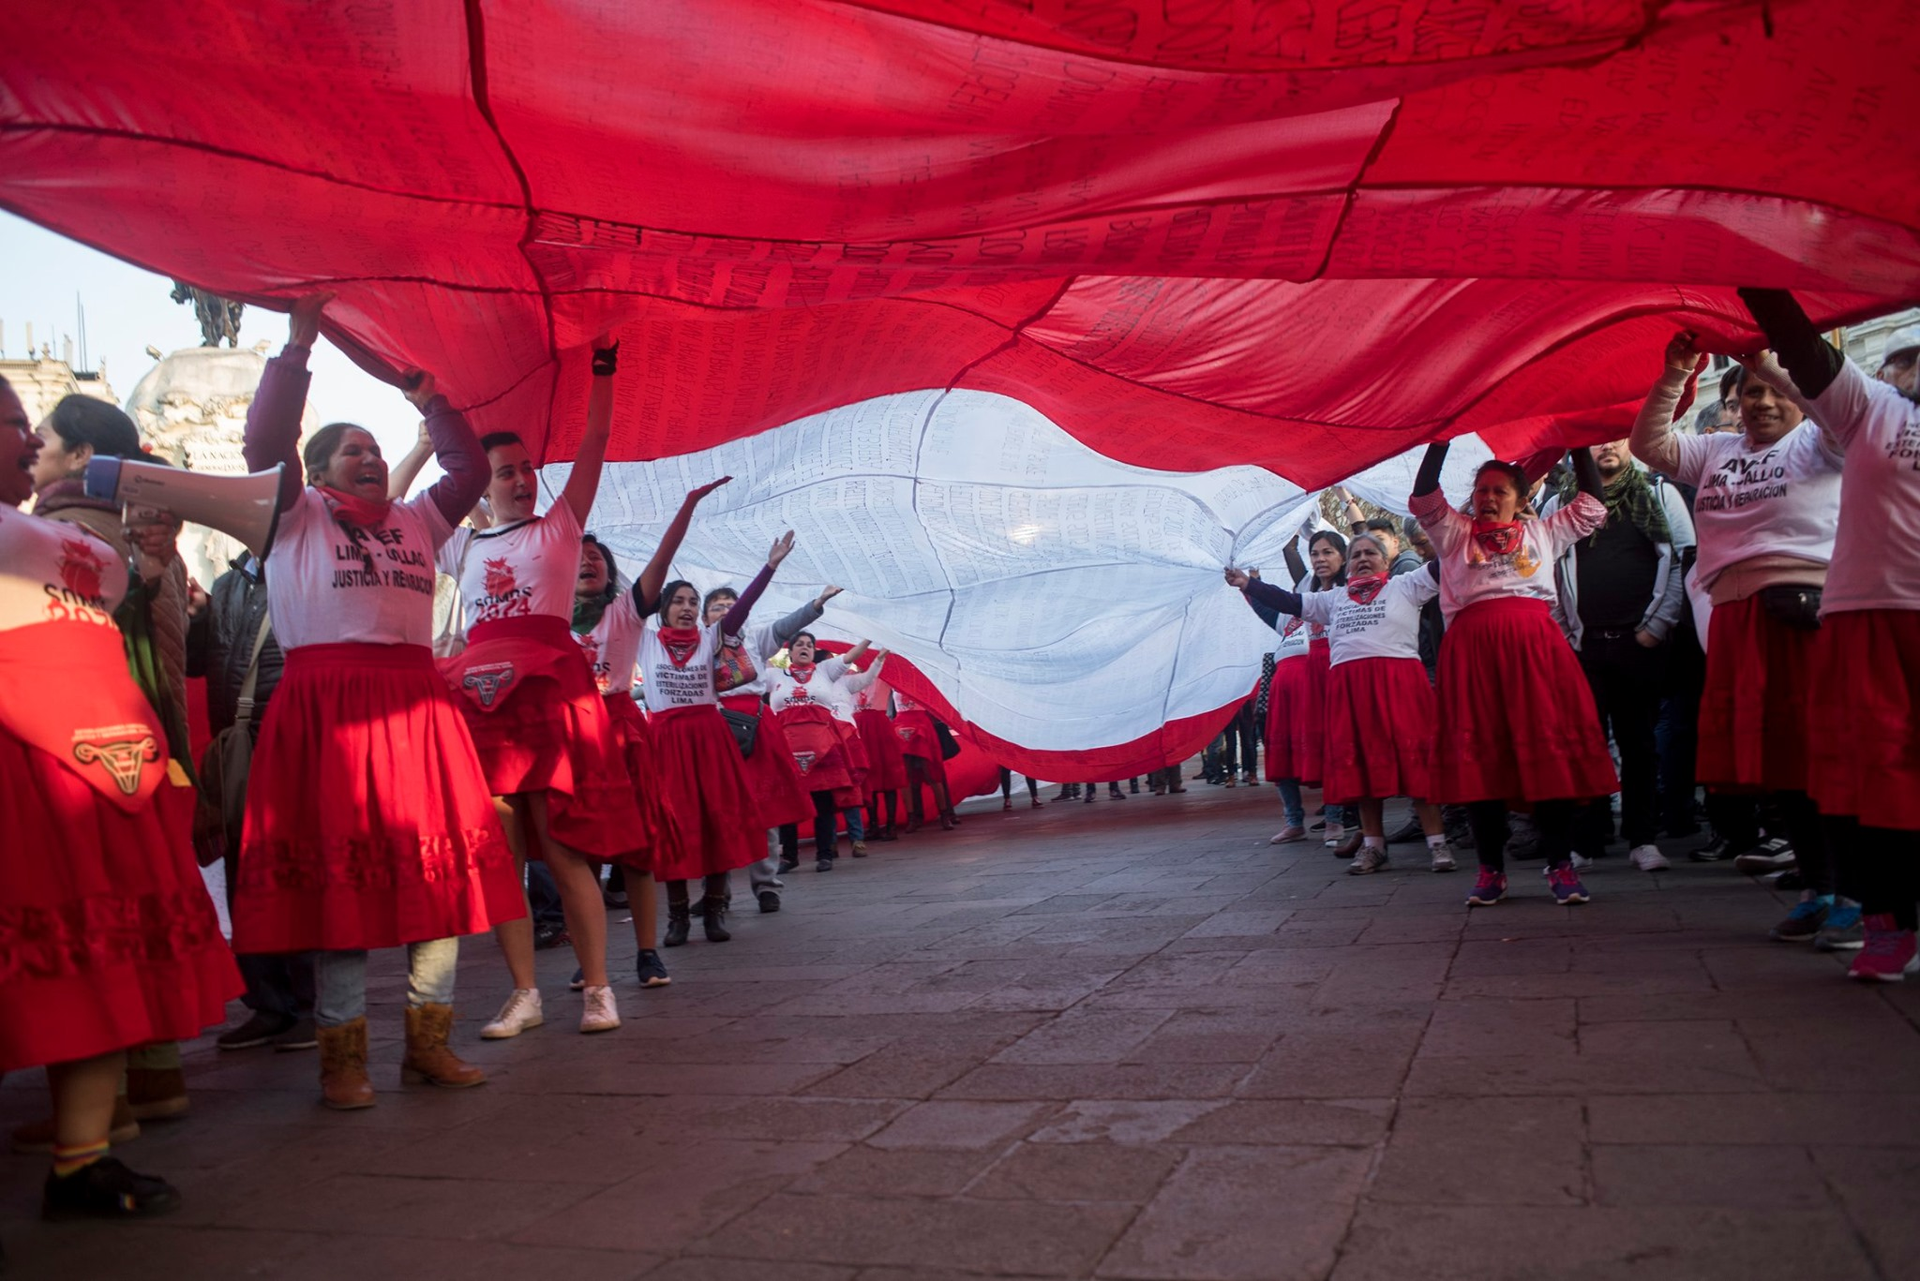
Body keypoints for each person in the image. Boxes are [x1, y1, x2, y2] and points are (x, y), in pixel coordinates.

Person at [233, 294, 521, 1110]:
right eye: (348, 451)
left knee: (439, 881)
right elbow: (265, 444)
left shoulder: (417, 519)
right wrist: (295, 351)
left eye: (371, 449)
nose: (365, 459)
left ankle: (429, 1043)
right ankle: (342, 1057)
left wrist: (429, 397)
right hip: (328, 715)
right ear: (317, 471)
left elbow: (466, 469)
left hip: (416, 709)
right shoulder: (292, 515)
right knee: (343, 892)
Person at [0, 373, 239, 1219]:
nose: (27, 441)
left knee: (101, 964)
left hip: (104, 769)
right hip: (28, 773)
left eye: (33, 426)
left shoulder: (67, 536)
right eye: (10, 423)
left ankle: (83, 1158)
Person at [432, 339, 645, 1039]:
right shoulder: (461, 544)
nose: (521, 479)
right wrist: (424, 421)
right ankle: (524, 992)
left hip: (547, 696)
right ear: (480, 483)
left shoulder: (560, 527)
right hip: (483, 702)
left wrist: (603, 370)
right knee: (502, 850)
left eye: (526, 468)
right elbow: (405, 505)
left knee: (561, 847)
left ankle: (599, 990)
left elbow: (597, 437)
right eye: (505, 471)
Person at [1631, 329, 1846, 944]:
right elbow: (1650, 443)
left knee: (1824, 758)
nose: (1762, 403)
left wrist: (1771, 367)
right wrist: (1675, 372)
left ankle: (1858, 893)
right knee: (1781, 764)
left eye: (1771, 392)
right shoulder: (1715, 450)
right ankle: (1817, 886)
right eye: (1749, 393)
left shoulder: (1820, 441)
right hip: (1737, 618)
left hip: (1807, 616)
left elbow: (1837, 410)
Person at [27, 398, 202, 1127]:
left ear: (80, 456)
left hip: (88, 750)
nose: (30, 450)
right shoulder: (141, 536)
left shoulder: (56, 534)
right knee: (144, 911)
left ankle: (100, 1110)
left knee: (91, 923)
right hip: (153, 748)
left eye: (43, 440)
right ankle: (155, 1078)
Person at [1737, 291, 1920, 979]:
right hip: (1864, 621)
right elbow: (1799, 342)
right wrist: (1750, 256)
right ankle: (1887, 923)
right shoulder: (1872, 408)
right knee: (1867, 777)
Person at [1409, 441, 1618, 906]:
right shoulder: (1455, 533)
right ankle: (1489, 872)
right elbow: (1424, 496)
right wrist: (1441, 439)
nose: (1488, 497)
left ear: (1522, 499)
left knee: (1547, 758)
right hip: (1473, 656)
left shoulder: (1544, 532)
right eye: (1481, 489)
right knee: (1480, 762)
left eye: (1500, 490)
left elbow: (1592, 504)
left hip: (1536, 654)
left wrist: (1579, 440)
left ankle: (1560, 866)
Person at [569, 489, 727, 987]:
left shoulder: (627, 611)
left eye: (596, 557)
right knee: (581, 855)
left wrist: (686, 507)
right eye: (577, 557)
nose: (587, 562)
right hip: (572, 735)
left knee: (636, 850)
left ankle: (647, 953)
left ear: (609, 571)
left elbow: (664, 557)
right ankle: (587, 959)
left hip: (621, 731)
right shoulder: (545, 619)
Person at [1231, 536, 1459, 873]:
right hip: (1350, 692)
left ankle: (1437, 844)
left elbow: (1447, 563)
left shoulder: (1406, 585)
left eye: (1371, 553)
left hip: (1400, 688)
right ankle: (1373, 847)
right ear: (1348, 565)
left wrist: (1463, 534)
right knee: (1362, 770)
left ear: (1386, 559)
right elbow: (1289, 601)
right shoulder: (1333, 598)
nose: (1363, 559)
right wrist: (1249, 584)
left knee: (1417, 766)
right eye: (1356, 555)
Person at [1539, 438, 1697, 872]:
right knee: (1585, 744)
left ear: (1631, 442)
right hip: (1583, 644)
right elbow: (1545, 569)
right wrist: (1564, 632)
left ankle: (1642, 838)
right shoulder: (1559, 503)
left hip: (1639, 640)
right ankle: (1587, 839)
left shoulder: (1659, 493)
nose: (1606, 447)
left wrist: (1657, 626)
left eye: (1616, 436)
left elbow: (1683, 560)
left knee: (1640, 743)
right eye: (1594, 441)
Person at [187, 551, 318, 1051]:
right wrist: (197, 616)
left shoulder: (305, 568)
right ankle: (268, 1003)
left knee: (295, 876)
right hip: (238, 743)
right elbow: (197, 662)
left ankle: (310, 1003)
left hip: (291, 739)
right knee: (245, 878)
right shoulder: (226, 583)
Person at [642, 537, 795, 945]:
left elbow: (741, 609)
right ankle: (677, 919)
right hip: (667, 743)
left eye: (693, 601)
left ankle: (713, 911)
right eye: (679, 600)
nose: (688, 607)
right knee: (674, 828)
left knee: (718, 823)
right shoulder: (643, 642)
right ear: (663, 609)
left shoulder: (711, 638)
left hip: (711, 739)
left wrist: (770, 567)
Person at [706, 582, 835, 904]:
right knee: (717, 813)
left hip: (757, 727)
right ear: (705, 617)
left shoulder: (756, 639)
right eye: (718, 607)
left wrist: (816, 603)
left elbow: (788, 625)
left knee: (765, 807)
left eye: (731, 606)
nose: (726, 612)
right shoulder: (698, 645)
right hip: (716, 728)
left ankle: (765, 884)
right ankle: (715, 891)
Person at [1250, 531, 1347, 848]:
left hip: (1321, 687)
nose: (1320, 559)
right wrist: (1251, 584)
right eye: (1315, 553)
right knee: (1283, 755)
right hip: (1285, 693)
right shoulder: (1291, 618)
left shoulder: (1344, 597)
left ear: (1342, 557)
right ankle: (1293, 821)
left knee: (1329, 752)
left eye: (1327, 552)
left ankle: (1335, 820)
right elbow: (1266, 609)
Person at [769, 634, 874, 871]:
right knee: (790, 802)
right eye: (799, 644)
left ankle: (825, 854)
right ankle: (790, 856)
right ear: (789, 652)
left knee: (823, 802)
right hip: (786, 749)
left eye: (809, 645)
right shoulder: (774, 675)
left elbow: (850, 656)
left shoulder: (825, 671)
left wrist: (870, 638)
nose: (804, 648)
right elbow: (753, 661)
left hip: (823, 747)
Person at [894, 690, 959, 830]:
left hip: (922, 725)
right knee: (906, 776)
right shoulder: (890, 678)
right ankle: (913, 818)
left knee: (932, 773)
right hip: (901, 725)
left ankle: (945, 815)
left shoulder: (918, 675)